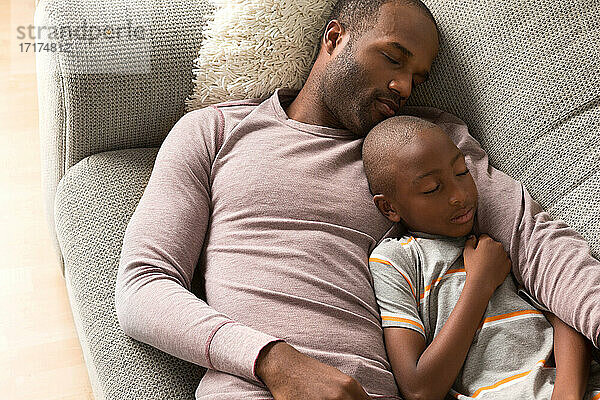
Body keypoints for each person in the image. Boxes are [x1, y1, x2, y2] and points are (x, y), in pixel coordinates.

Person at [115, 0, 600, 398]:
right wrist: (275, 362)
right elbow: (142, 287)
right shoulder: (216, 130)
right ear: (334, 38)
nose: (405, 86)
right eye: (393, 58)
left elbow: (538, 244)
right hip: (254, 387)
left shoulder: (426, 149)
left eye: (419, 77)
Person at [364, 115, 599, 400]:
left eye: (462, 171)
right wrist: (480, 282)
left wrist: (567, 394)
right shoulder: (396, 260)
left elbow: (564, 313)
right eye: (432, 189)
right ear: (389, 208)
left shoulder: (497, 240)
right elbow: (419, 388)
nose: (459, 195)